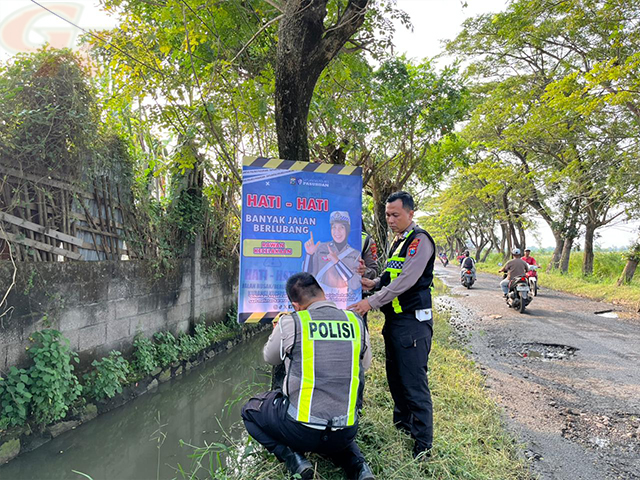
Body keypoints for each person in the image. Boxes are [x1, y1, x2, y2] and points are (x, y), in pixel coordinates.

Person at [241, 273, 375, 480]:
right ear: (322, 293)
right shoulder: (355, 322)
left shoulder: (292, 322)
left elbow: (270, 358)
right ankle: (359, 467)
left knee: (249, 411)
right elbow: (365, 365)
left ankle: (292, 457)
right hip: (346, 430)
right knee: (336, 432)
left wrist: (278, 332)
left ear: (296, 305)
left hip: (300, 431)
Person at [348, 191, 436, 460]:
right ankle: (402, 426)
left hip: (413, 323)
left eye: (395, 214)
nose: (390, 219)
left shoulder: (419, 240)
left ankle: (423, 445)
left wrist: (371, 301)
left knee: (414, 383)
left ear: (410, 213)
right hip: (395, 322)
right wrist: (372, 283)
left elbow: (406, 280)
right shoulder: (398, 242)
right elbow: (390, 275)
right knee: (396, 378)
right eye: (387, 214)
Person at [303, 211, 361, 305]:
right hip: (322, 300)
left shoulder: (355, 254)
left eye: (341, 227)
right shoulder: (321, 248)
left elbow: (355, 284)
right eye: (334, 227)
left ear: (347, 230)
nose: (337, 231)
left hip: (344, 300)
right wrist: (309, 255)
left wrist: (337, 262)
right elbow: (306, 278)